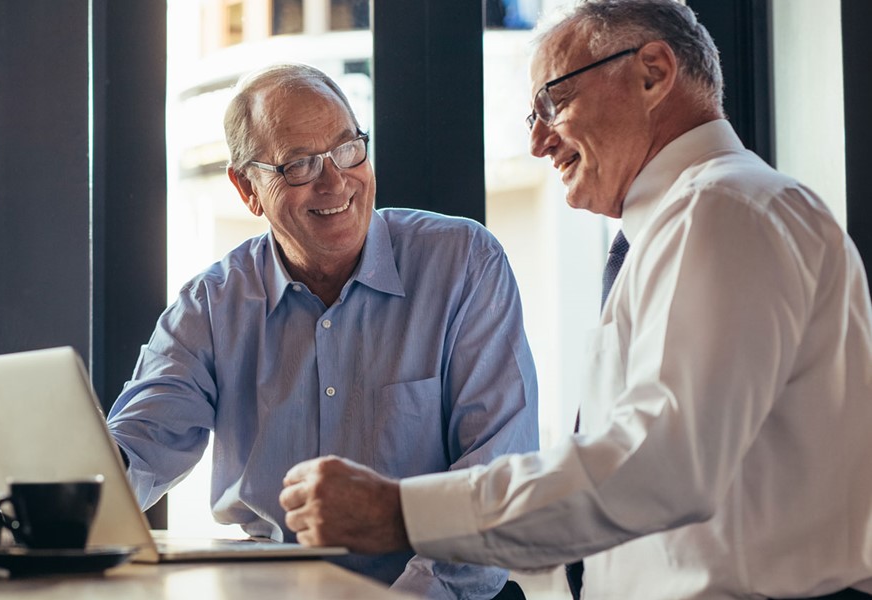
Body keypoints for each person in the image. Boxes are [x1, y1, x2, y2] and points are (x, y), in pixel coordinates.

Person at [278, 1, 872, 599]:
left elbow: (657, 468)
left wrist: (402, 512)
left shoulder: (723, 211)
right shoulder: (693, 221)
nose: (537, 142)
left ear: (653, 73)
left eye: (553, 103)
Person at [106, 64, 539, 599]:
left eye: (347, 149)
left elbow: (496, 482)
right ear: (248, 188)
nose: (335, 181)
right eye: (298, 165)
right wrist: (68, 488)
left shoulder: (464, 262)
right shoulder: (211, 304)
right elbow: (139, 447)